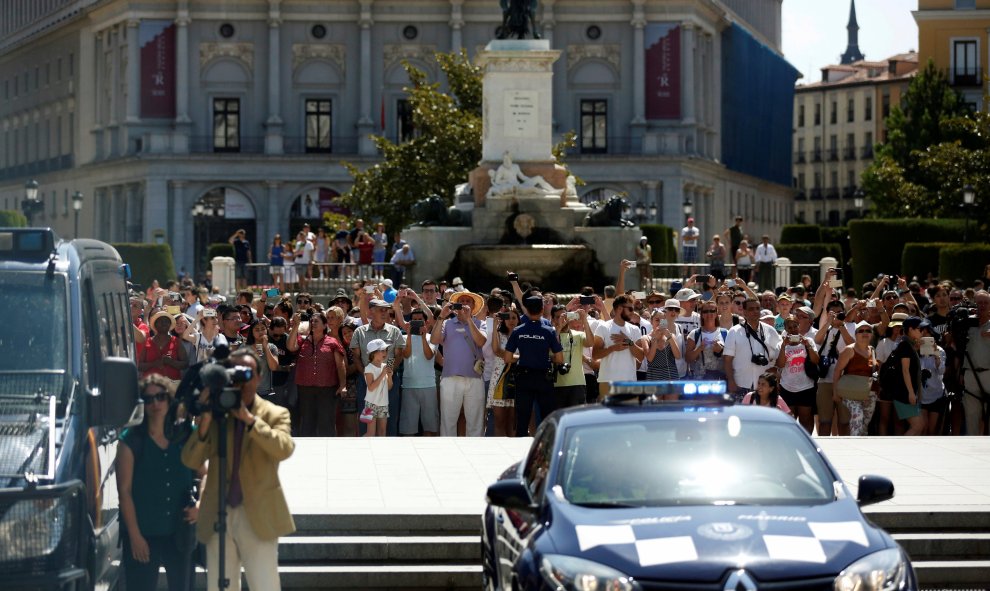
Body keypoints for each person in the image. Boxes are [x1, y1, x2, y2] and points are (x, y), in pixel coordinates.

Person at [181, 348, 295, 591]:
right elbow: (191, 460)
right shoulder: (216, 412)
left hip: (258, 513)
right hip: (218, 512)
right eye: (235, 375)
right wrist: (205, 422)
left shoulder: (274, 413)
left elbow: (284, 448)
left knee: (264, 584)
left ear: (258, 377)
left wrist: (249, 420)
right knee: (220, 586)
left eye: (247, 374)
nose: (241, 382)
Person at [116, 376, 199, 591]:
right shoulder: (131, 439)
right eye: (149, 399)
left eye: (160, 397)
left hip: (179, 531)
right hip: (143, 531)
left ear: (170, 399)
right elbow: (124, 492)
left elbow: (205, 472)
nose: (155, 404)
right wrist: (134, 536)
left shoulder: (185, 432)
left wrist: (200, 504)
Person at [502, 295, 564, 437]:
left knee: (522, 418)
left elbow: (507, 358)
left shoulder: (518, 330)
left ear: (527, 311)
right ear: (542, 310)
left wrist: (524, 356)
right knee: (547, 417)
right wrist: (544, 356)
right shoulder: (549, 331)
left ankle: (520, 452)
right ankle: (545, 449)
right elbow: (560, 358)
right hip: (543, 377)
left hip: (524, 377)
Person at [431, 294, 487, 436]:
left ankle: (473, 453)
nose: (464, 304)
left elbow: (481, 341)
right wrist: (441, 316)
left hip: (474, 378)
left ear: (473, 307)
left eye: (468, 301)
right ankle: (448, 453)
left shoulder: (481, 323)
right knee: (448, 422)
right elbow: (434, 339)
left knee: (475, 422)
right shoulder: (447, 323)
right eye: (461, 301)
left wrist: (468, 319)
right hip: (451, 378)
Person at [351, 296, 406, 435]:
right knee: (367, 420)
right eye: (381, 310)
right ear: (371, 312)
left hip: (389, 380)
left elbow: (398, 354)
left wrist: (388, 371)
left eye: (386, 310)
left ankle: (389, 452)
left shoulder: (395, 331)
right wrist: (367, 374)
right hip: (366, 381)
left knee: (390, 419)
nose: (384, 313)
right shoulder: (359, 332)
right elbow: (356, 357)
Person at [288, 310, 347, 437]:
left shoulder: (332, 342)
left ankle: (329, 449)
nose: (313, 323)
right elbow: (291, 347)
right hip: (305, 388)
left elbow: (340, 365)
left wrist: (343, 385)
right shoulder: (302, 340)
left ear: (325, 325)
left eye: (316, 321)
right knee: (307, 421)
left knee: (326, 422)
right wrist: (295, 326)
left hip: (327, 388)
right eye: (311, 321)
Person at [724, 298, 782, 401]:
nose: (755, 311)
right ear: (744, 312)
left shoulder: (770, 330)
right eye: (751, 309)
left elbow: (781, 353)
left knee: (764, 416)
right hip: (741, 384)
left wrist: (775, 368)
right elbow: (727, 360)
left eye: (757, 309)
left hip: (766, 386)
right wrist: (731, 381)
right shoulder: (734, 331)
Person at [592, 294, 645, 399]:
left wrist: (629, 342)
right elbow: (595, 355)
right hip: (607, 381)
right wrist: (613, 348)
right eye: (630, 309)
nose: (633, 312)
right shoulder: (603, 327)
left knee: (629, 414)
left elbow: (641, 356)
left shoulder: (635, 329)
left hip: (629, 382)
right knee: (607, 415)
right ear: (620, 309)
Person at [833, 320, 879, 437]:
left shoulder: (872, 350)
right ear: (856, 334)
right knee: (857, 419)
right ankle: (855, 450)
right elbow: (837, 370)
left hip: (870, 392)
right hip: (850, 392)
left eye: (868, 331)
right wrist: (835, 392)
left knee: (864, 425)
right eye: (861, 331)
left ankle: (862, 450)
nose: (865, 333)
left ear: (872, 334)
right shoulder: (849, 349)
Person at [776, 315, 820, 434]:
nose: (793, 329)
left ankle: (807, 444)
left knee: (806, 419)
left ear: (799, 326)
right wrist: (784, 346)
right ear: (785, 329)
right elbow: (780, 364)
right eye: (789, 327)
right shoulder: (781, 344)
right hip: (787, 387)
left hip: (806, 386)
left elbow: (816, 360)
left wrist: (808, 345)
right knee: (789, 420)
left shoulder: (808, 341)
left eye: (795, 326)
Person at [400, 307, 440, 437]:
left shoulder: (432, 337)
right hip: (409, 385)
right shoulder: (403, 337)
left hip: (428, 385)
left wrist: (423, 338)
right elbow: (405, 355)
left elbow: (429, 356)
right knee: (408, 429)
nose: (417, 322)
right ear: (410, 322)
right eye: (414, 320)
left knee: (430, 427)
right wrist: (410, 336)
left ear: (426, 322)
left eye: (420, 320)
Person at [884, 316, 925, 436]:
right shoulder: (905, 346)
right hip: (904, 394)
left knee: (920, 425)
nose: (922, 332)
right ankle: (900, 450)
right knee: (918, 426)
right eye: (920, 329)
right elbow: (905, 370)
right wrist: (911, 393)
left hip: (905, 392)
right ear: (911, 329)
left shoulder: (908, 345)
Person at [960, 291, 990, 436]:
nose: (982, 306)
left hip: (988, 374)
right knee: (971, 415)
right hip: (970, 374)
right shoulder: (966, 324)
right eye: (979, 302)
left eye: (986, 302)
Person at [553, 307, 595, 408]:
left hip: (577, 384)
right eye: (558, 317)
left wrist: (584, 320)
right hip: (556, 385)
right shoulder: (550, 335)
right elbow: (552, 352)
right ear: (553, 319)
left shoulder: (578, 334)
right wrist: (558, 329)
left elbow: (590, 342)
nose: (561, 319)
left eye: (564, 316)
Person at [488, 308, 519, 436]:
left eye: (514, 317)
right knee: (499, 420)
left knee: (512, 421)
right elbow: (496, 350)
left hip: (517, 379)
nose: (511, 321)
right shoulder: (499, 334)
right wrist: (495, 324)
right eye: (508, 317)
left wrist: (508, 356)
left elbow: (504, 354)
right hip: (499, 380)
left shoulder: (522, 335)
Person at [138, 310, 188, 382]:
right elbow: (139, 366)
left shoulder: (177, 342)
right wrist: (153, 364)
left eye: (166, 321)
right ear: (155, 324)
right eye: (160, 321)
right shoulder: (146, 342)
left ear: (170, 324)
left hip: (172, 386)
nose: (163, 323)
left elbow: (185, 364)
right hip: (151, 386)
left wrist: (171, 362)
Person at [685, 299, 727, 380]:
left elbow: (731, 359)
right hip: (700, 381)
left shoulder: (725, 333)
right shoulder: (694, 334)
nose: (709, 314)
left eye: (712, 311)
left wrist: (721, 351)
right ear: (702, 314)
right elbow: (688, 359)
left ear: (716, 314)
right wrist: (699, 348)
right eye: (706, 311)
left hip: (720, 379)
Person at [363, 339, 393, 436]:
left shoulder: (384, 366)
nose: (385, 353)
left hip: (383, 403)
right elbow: (371, 387)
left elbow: (389, 387)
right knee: (370, 433)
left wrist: (390, 376)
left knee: (382, 432)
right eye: (382, 350)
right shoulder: (369, 368)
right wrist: (383, 374)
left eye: (386, 350)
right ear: (373, 353)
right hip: (370, 404)